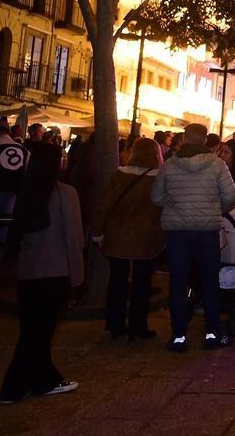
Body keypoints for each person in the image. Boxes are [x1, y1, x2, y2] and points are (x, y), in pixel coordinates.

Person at [0, 139, 83, 404]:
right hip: (55, 271)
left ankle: (44, 378)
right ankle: (13, 387)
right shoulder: (65, 193)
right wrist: (78, 276)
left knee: (35, 330)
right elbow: (73, 237)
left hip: (29, 272)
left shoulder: (26, 192)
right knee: (37, 333)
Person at [150, 123, 235, 351]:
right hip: (207, 230)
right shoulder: (218, 165)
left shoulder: (169, 165)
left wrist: (174, 205)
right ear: (205, 140)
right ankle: (212, 333)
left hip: (177, 231)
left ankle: (178, 336)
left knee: (178, 283)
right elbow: (231, 195)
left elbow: (157, 196)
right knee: (209, 281)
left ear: (186, 138)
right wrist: (217, 208)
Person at [93, 137, 164, 341]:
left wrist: (98, 232)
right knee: (142, 283)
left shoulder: (119, 174)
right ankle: (138, 326)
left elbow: (104, 204)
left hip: (118, 236)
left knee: (117, 281)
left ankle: (115, 324)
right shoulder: (158, 177)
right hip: (146, 238)